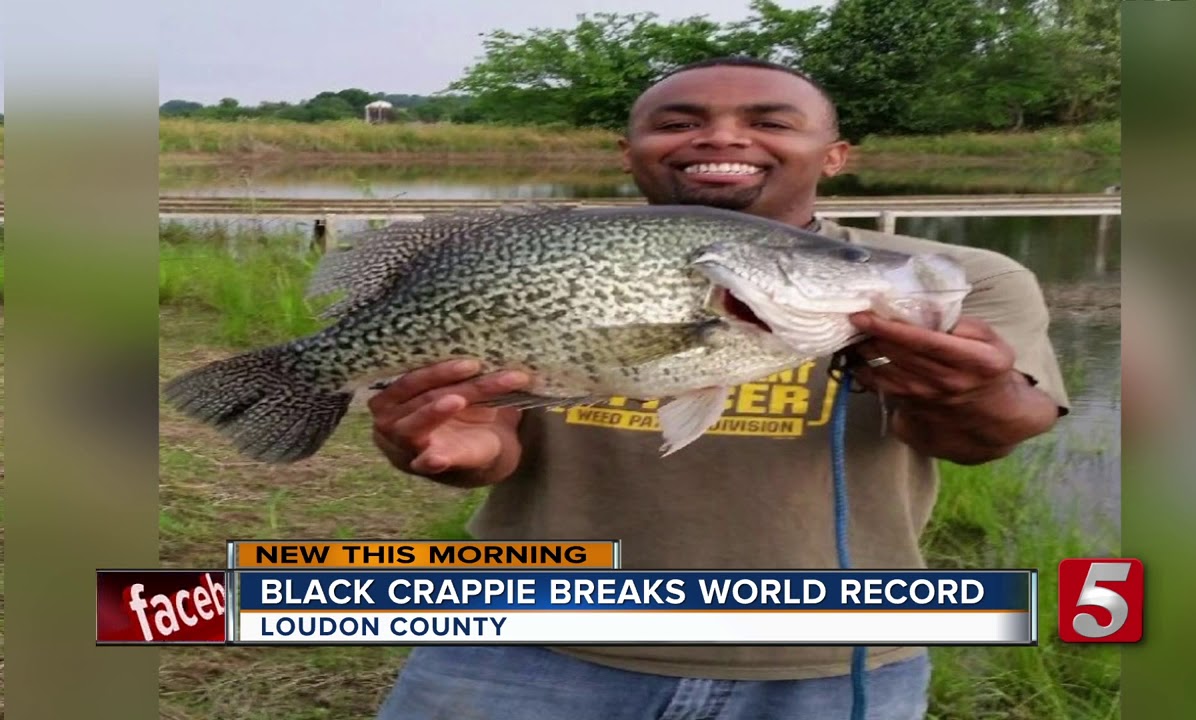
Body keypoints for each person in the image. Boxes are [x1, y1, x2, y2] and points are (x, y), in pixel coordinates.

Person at [371, 57, 1069, 720]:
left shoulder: (960, 277)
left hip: (830, 659)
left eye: (770, 121)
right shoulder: (539, 250)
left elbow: (983, 438)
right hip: (525, 642)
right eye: (677, 122)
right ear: (628, 149)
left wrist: (969, 394)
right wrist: (457, 455)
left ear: (835, 154)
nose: (722, 136)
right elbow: (490, 446)